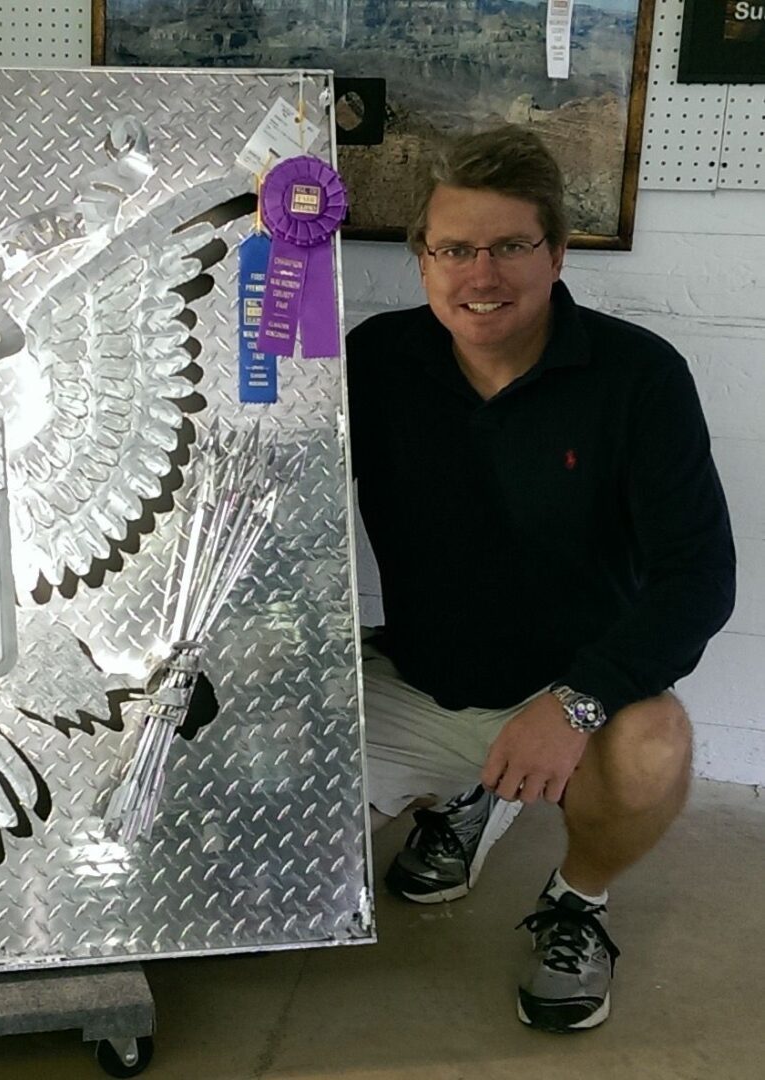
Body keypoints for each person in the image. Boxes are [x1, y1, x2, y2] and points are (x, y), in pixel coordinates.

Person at [345, 126, 736, 1033]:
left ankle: (577, 901)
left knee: (655, 742)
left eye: (510, 246)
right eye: (453, 249)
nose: (480, 275)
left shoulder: (638, 376)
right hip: (412, 675)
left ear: (557, 254)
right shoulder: (376, 361)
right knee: (245, 769)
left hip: (567, 700)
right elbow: (287, 509)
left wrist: (575, 701)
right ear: (421, 262)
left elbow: (698, 577)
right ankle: (465, 797)